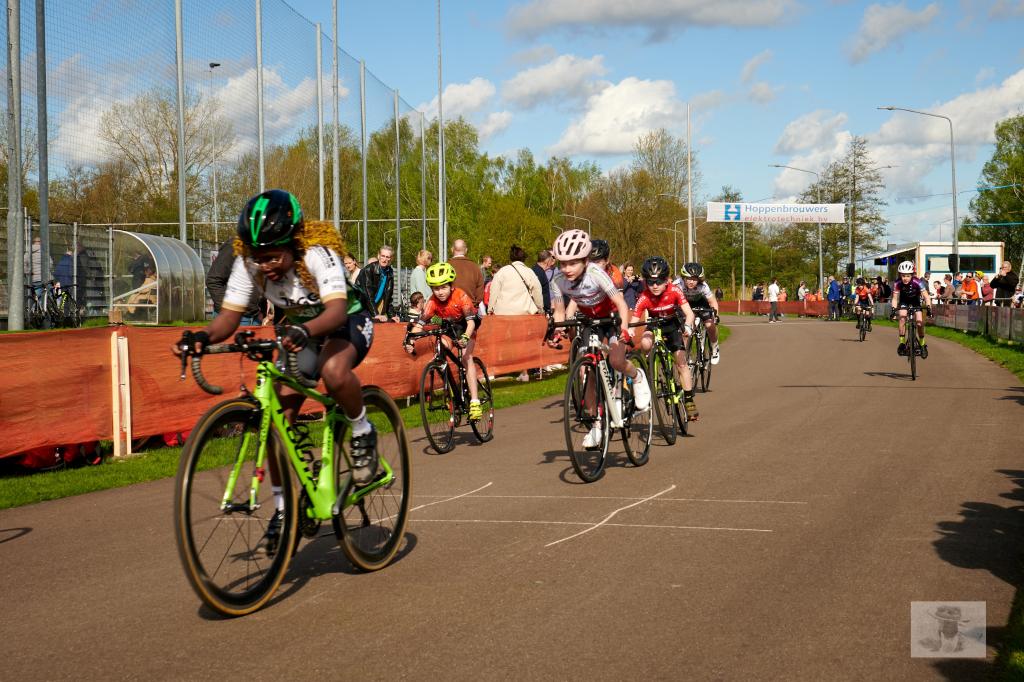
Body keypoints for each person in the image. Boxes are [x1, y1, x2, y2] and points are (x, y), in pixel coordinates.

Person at [173, 189, 377, 555]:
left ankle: (362, 429)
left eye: (272, 256)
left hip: (346, 321)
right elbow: (229, 318)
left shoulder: (317, 254)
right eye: (258, 257)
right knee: (276, 417)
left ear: (293, 243)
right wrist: (203, 336)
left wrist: (303, 329)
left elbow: (334, 313)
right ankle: (285, 511)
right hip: (302, 331)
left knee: (332, 370)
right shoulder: (247, 262)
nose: (264, 265)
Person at [548, 229, 650, 448]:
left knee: (616, 360)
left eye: (573, 263)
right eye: (563, 263)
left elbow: (622, 304)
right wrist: (558, 330)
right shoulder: (557, 279)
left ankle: (637, 376)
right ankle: (596, 425)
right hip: (589, 319)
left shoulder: (596, 273)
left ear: (585, 260)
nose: (566, 269)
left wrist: (623, 328)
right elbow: (559, 309)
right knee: (591, 371)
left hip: (612, 317)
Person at [403, 262, 483, 421]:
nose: (439, 292)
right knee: (440, 352)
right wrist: (410, 339)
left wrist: (466, 337)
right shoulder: (431, 301)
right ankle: (450, 394)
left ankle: (474, 402)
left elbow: (471, 323)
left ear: (451, 286)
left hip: (467, 325)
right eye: (435, 288)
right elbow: (420, 324)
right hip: (448, 326)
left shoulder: (460, 295)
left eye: (443, 287)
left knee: (467, 357)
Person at [633, 256, 699, 421]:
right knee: (645, 343)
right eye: (650, 282)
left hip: (671, 326)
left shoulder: (674, 291)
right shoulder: (644, 296)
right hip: (654, 325)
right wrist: (628, 331)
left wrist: (689, 327)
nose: (655, 286)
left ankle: (689, 400)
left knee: (681, 361)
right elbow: (634, 319)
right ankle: (651, 366)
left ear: (667, 280)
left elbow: (689, 313)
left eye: (659, 281)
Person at [207, 237, 262, 325]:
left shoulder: (263, 247)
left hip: (255, 317)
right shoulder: (234, 246)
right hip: (233, 317)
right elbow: (213, 280)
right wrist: (227, 312)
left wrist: (260, 311)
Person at [678, 262, 722, 363]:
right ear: (683, 277)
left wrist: (716, 315)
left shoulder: (703, 286)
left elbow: (712, 301)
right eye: (688, 278)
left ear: (699, 279)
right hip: (686, 305)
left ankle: (715, 346)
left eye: (694, 279)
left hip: (702, 303)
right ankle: (685, 355)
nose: (691, 282)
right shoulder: (678, 284)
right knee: (687, 330)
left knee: (709, 325)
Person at [889, 260, 932, 358]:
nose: (905, 278)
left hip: (916, 301)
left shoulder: (918, 281)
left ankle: (922, 344)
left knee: (920, 321)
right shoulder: (898, 283)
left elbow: (926, 297)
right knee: (902, 316)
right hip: (904, 301)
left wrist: (929, 307)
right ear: (900, 275)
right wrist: (893, 309)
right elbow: (895, 299)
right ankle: (902, 343)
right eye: (903, 275)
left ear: (912, 275)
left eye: (908, 275)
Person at [488, 245, 543, 316]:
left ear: (511, 258)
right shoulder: (529, 272)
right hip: (524, 313)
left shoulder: (502, 271)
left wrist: (490, 309)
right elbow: (537, 291)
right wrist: (540, 309)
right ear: (524, 258)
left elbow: (494, 291)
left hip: (502, 313)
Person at [355, 245, 400, 322]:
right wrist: (376, 314)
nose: (384, 259)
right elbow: (368, 296)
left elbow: (388, 297)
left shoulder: (389, 272)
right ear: (378, 256)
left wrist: (392, 315)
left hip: (372, 307)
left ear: (391, 258)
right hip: (360, 307)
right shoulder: (368, 270)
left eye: (387, 257)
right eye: (383, 256)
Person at [449, 239, 484, 306]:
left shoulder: (445, 266)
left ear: (452, 249)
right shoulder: (475, 267)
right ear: (466, 250)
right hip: (470, 307)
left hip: (450, 308)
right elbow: (480, 293)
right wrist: (475, 305)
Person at [532, 249, 554, 314]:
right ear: (547, 261)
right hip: (540, 311)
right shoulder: (539, 273)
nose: (552, 263)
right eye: (551, 260)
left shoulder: (534, 269)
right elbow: (537, 292)